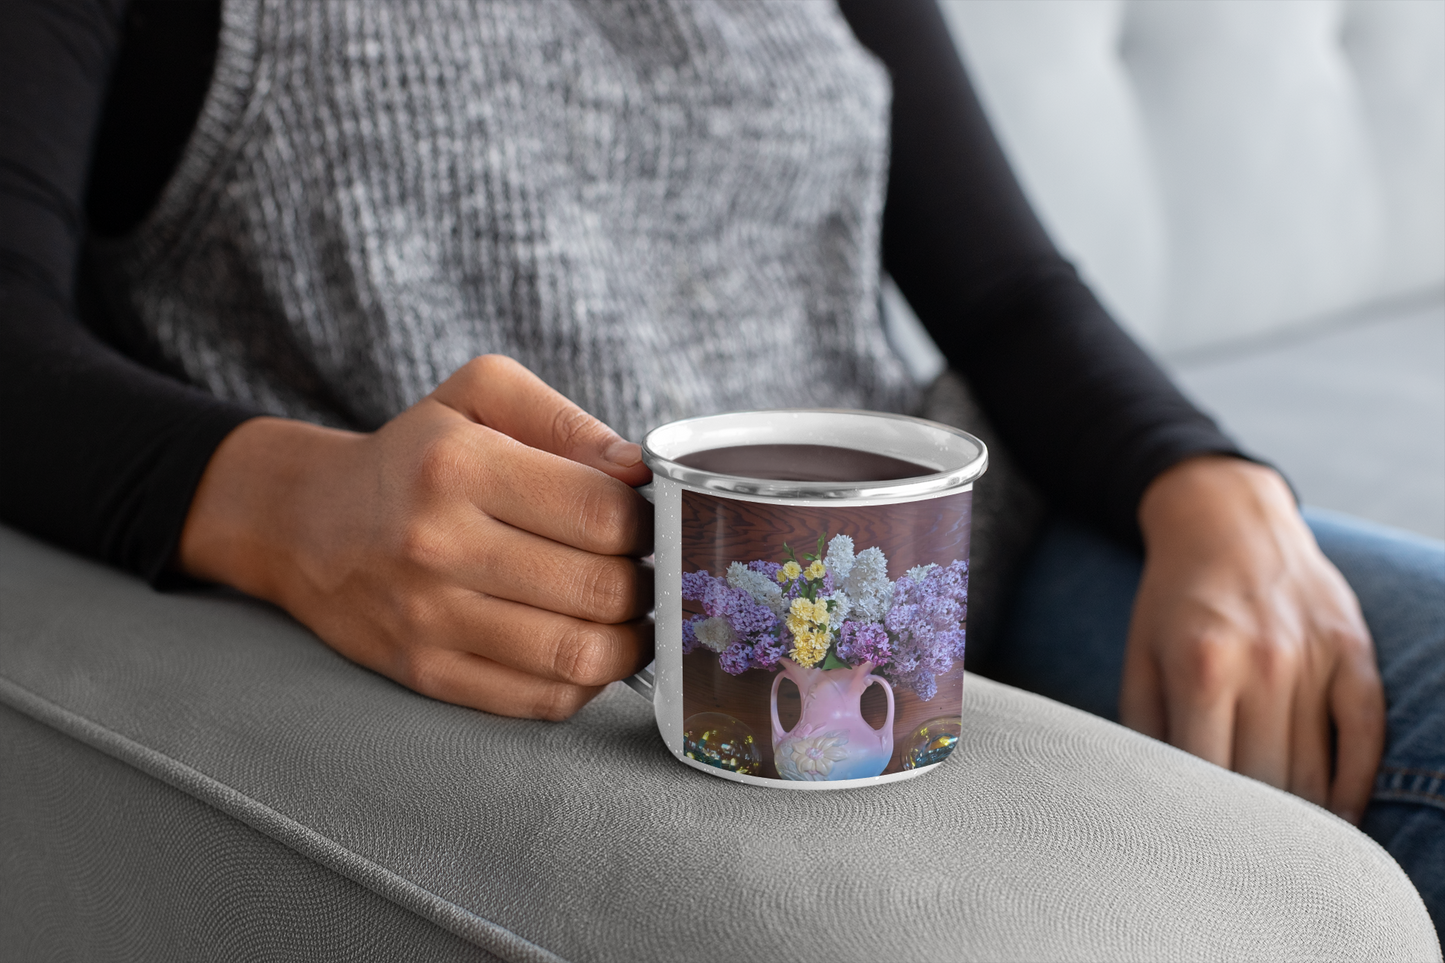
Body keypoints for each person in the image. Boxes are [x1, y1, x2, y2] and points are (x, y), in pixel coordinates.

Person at [1, 0, 1439, 933]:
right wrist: (274, 501)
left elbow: (1008, 295)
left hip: (970, 566)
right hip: (602, 686)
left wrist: (1216, 485)